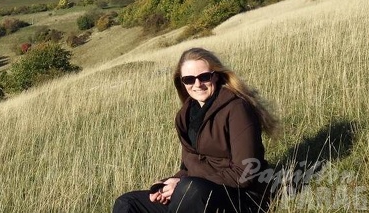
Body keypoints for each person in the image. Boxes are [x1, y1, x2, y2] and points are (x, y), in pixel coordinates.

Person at [113, 47, 278, 213]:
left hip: (241, 197)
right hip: (193, 192)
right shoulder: (185, 115)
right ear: (182, 82)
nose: (197, 84)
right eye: (189, 79)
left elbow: (245, 172)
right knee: (128, 203)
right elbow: (188, 168)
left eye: (204, 77)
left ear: (216, 75)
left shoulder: (237, 109)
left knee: (190, 190)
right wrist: (168, 184)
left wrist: (183, 185)